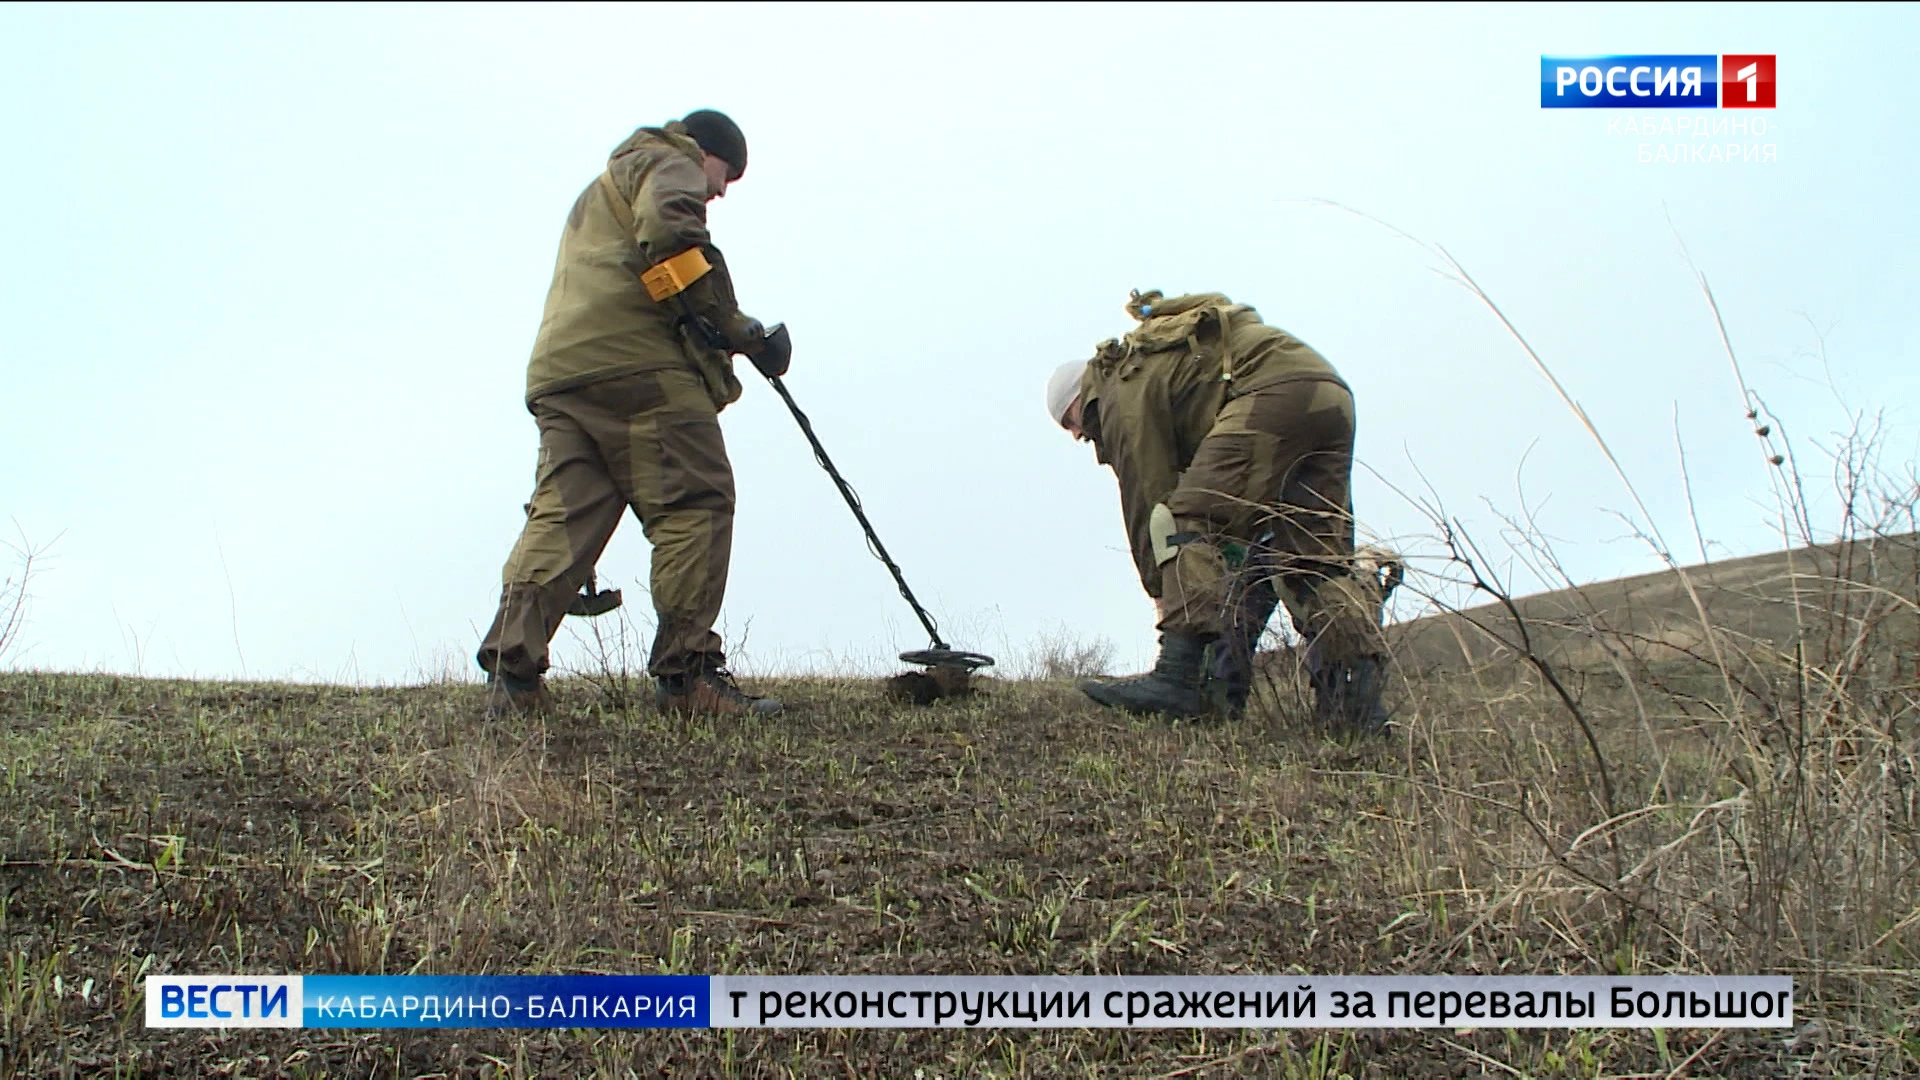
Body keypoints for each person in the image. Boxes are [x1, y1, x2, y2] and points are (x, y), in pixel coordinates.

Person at [476, 110, 791, 719]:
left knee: (566, 517)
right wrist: (739, 329)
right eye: (725, 176)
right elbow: (671, 233)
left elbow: (644, 262)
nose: (720, 191)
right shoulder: (669, 161)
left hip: (564, 375)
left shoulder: (602, 189)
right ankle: (686, 676)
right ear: (705, 152)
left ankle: (511, 678)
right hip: (639, 370)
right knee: (694, 501)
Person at [1047, 289, 1391, 732]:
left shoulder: (1116, 390)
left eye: (1069, 421)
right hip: (1328, 394)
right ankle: (1358, 707)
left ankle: (1178, 679)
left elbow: (1149, 496)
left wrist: (1163, 595)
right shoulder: (1161, 366)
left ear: (1080, 398)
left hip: (1272, 395)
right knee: (1314, 563)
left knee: (1186, 521)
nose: (1076, 435)